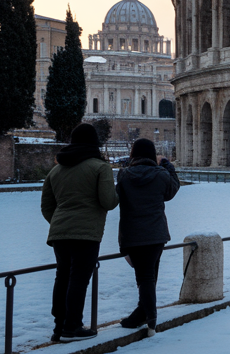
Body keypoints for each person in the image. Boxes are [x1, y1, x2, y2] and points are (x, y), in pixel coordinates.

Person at [41, 123, 120, 342]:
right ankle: (72, 326)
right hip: (86, 233)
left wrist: (59, 222)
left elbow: (47, 205)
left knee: (63, 276)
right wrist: (118, 193)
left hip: (59, 233)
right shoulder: (99, 167)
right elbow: (108, 201)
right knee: (78, 278)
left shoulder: (56, 170)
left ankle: (59, 327)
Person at [114, 138, 180, 336]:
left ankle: (149, 317)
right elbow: (173, 188)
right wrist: (167, 165)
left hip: (133, 234)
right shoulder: (160, 175)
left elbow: (119, 196)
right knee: (149, 275)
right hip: (156, 234)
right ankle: (144, 314)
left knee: (144, 277)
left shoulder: (124, 175)